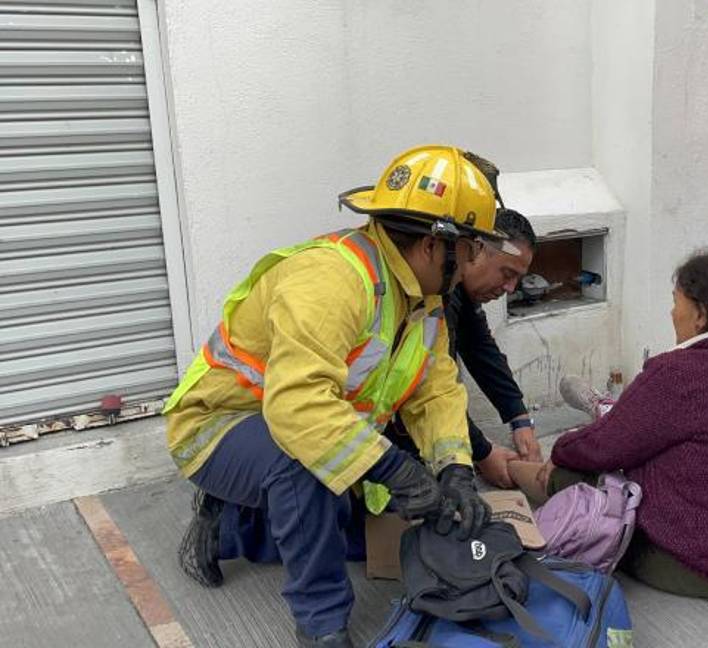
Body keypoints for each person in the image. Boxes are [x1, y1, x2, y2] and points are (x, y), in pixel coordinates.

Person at [165, 145, 501, 647]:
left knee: (359, 534)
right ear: (435, 245)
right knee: (306, 472)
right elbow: (298, 405)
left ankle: (231, 524)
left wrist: (454, 469)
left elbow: (435, 389)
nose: (473, 262)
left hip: (298, 427)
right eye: (472, 249)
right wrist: (395, 469)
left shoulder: (423, 298)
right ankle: (322, 624)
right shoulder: (332, 279)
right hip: (218, 425)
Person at [525, 252, 708, 599]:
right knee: (648, 437)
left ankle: (506, 467)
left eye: (676, 302)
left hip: (699, 567)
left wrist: (560, 450)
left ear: (700, 315)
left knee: (570, 474)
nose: (671, 312)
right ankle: (606, 409)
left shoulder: (678, 374)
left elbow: (601, 448)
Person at [385, 207, 543, 486]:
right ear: (476, 249)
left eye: (518, 278)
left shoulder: (457, 289)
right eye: (507, 273)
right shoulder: (435, 290)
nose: (510, 288)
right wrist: (483, 453)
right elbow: (434, 388)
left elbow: (480, 348)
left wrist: (518, 417)